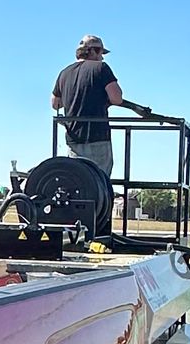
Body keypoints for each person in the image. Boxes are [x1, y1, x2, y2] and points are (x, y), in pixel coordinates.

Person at [50, 35, 152, 228]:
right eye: (100, 52)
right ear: (92, 51)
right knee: (100, 186)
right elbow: (116, 97)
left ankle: (77, 228)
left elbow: (55, 103)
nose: (102, 57)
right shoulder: (101, 69)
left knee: (79, 184)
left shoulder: (64, 73)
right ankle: (100, 230)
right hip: (97, 138)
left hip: (73, 141)